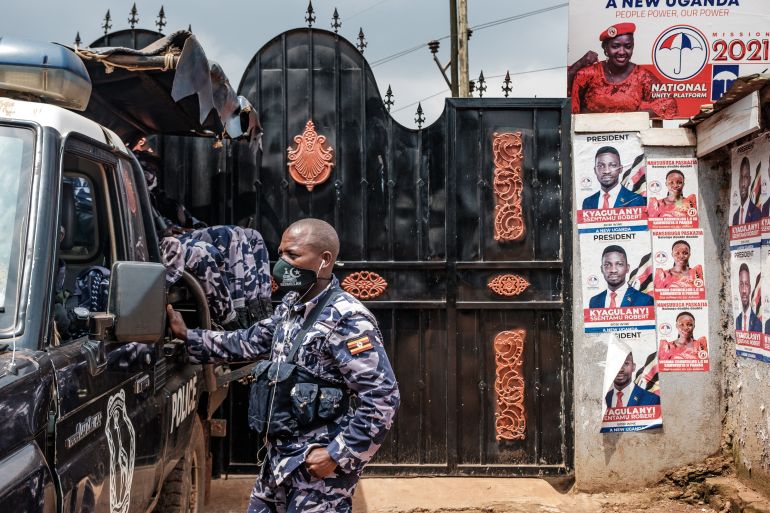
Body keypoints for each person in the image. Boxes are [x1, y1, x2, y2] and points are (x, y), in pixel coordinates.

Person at [167, 218, 399, 513]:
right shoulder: (291, 307)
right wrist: (188, 336)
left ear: (324, 260)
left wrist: (336, 455)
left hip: (317, 473)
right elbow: (248, 342)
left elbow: (383, 398)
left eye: (293, 255)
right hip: (278, 461)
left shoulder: (348, 319)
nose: (282, 263)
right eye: (280, 254)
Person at [570, 23, 678, 119]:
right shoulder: (589, 74)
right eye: (615, 46)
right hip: (590, 137)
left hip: (629, 137)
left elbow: (669, 104)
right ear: (605, 48)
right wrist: (579, 63)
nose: (622, 52)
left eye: (628, 46)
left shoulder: (642, 76)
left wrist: (632, 117)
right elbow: (567, 100)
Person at [582, 146, 646, 210]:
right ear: (595, 170)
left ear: (620, 169)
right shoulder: (588, 202)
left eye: (612, 165)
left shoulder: (635, 199)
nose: (606, 171)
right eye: (601, 166)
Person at [589, 245, 653, 308]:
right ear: (601, 269)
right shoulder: (594, 301)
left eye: (619, 264)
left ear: (627, 268)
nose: (613, 270)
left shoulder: (645, 301)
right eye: (607, 265)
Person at [732, 157, 762, 225]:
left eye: (746, 177)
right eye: (741, 177)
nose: (743, 184)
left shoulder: (756, 212)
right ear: (738, 181)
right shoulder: (735, 216)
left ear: (750, 180)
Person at [736, 263, 762, 332]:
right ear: (739, 288)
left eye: (746, 284)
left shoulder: (758, 323)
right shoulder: (737, 320)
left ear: (750, 288)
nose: (744, 290)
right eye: (741, 284)